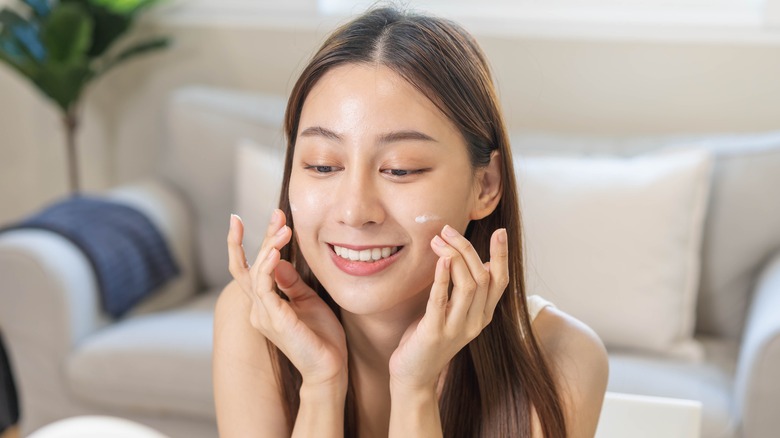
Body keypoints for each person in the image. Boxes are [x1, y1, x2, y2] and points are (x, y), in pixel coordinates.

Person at [213, 6, 608, 437]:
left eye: (401, 169)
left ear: (485, 185)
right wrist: (321, 385)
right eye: (323, 166)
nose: (354, 211)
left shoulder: (561, 358)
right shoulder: (253, 320)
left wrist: (414, 389)